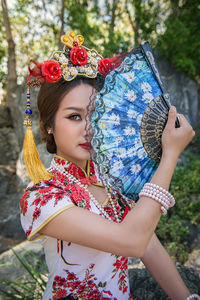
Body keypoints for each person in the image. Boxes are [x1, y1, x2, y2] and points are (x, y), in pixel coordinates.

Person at [20, 30, 199, 300]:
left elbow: (149, 243)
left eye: (96, 114)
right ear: (49, 126)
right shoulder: (42, 196)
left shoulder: (111, 180)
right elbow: (132, 242)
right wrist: (169, 155)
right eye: (74, 117)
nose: (89, 129)